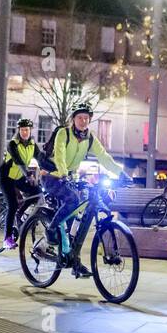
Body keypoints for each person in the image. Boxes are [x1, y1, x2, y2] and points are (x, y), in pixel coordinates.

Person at [43, 104, 128, 277]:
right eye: (80, 117)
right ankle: (51, 229)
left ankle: (74, 260)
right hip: (52, 176)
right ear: (73, 119)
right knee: (73, 201)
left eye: (86, 118)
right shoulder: (63, 133)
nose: (83, 121)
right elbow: (59, 156)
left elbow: (104, 157)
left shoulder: (89, 137)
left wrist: (121, 173)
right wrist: (64, 174)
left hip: (70, 177)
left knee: (81, 210)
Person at [0, 118, 40, 251]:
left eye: (27, 130)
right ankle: (7, 238)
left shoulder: (32, 145)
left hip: (19, 177)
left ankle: (20, 213)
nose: (24, 132)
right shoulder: (13, 144)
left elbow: (41, 159)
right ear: (19, 130)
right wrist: (28, 174)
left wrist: (55, 169)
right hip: (6, 177)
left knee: (38, 193)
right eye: (22, 130)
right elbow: (18, 161)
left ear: (30, 131)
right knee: (12, 205)